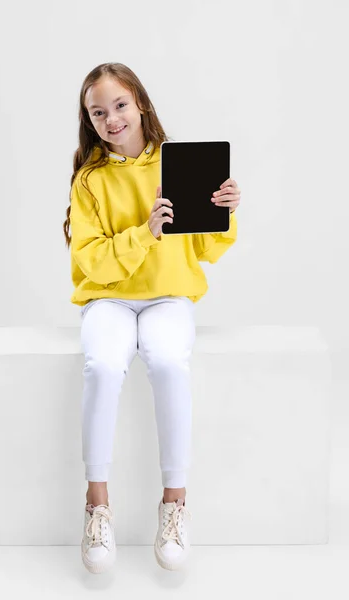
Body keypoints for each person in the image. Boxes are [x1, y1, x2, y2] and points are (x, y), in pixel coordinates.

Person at [63, 62, 241, 573]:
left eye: (119, 104)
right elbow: (90, 259)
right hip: (108, 298)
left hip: (168, 296)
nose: (111, 118)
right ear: (89, 120)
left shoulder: (177, 163)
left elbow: (207, 249)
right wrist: (144, 233)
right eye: (98, 112)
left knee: (166, 362)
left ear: (140, 101)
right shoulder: (90, 180)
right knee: (102, 364)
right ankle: (97, 504)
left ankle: (175, 505)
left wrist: (224, 210)